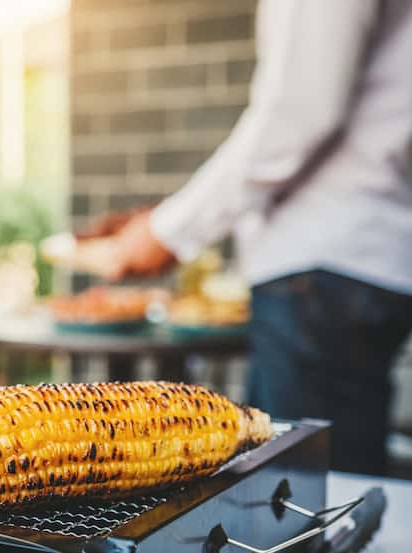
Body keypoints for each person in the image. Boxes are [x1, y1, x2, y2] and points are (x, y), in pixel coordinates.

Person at [90, 0, 412, 475]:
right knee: (343, 481)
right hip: (368, 255)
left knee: (305, 496)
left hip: (320, 263)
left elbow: (299, 113)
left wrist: (169, 231)